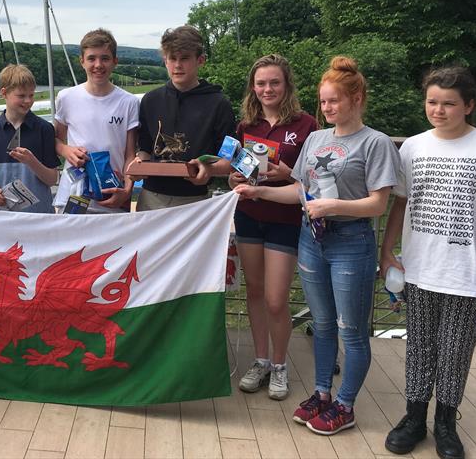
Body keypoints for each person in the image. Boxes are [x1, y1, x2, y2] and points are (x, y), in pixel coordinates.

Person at [236, 56, 400, 435]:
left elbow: (378, 203)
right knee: (323, 325)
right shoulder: (316, 138)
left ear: (356, 98)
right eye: (323, 102)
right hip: (313, 240)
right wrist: (257, 190)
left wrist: (332, 206)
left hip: (351, 242)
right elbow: (299, 190)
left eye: (334, 101)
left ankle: (346, 404)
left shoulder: (375, 142)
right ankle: (323, 394)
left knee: (351, 329)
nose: (326, 108)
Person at [381, 66, 476, 459]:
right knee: (419, 346)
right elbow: (399, 202)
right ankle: (414, 418)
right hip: (420, 266)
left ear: (468, 105)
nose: (439, 109)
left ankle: (446, 424)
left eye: (449, 103)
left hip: (467, 269)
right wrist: (388, 251)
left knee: (455, 350)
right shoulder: (412, 147)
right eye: (432, 102)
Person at [227, 54, 317, 401]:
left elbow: (313, 180)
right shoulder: (245, 124)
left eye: (274, 82)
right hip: (249, 214)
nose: (267, 89)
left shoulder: (306, 124)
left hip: (285, 219)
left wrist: (288, 175)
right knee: (255, 293)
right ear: (253, 86)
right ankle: (261, 360)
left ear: (286, 84)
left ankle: (280, 365)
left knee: (276, 300)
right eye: (261, 83)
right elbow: (239, 168)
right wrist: (235, 175)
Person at [135, 25, 235, 210]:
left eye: (185, 58)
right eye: (172, 58)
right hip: (152, 198)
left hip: (196, 200)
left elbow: (229, 160)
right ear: (165, 61)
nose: (178, 65)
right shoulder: (150, 100)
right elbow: (145, 149)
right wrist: (137, 166)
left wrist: (210, 169)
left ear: (201, 60)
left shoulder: (219, 104)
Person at [53, 28, 139, 214]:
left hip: (112, 196)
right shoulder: (66, 97)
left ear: (115, 61)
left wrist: (127, 191)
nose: (98, 65)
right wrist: (67, 150)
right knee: (71, 244)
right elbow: (56, 140)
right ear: (82, 61)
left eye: (105, 58)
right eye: (92, 58)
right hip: (72, 195)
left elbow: (130, 155)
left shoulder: (129, 102)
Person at [0, 65, 59, 212]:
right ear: (4, 93)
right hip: (2, 215)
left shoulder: (44, 129)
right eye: (21, 96)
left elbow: (52, 179)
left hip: (38, 216)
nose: (28, 100)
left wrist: (31, 162)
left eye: (31, 95)